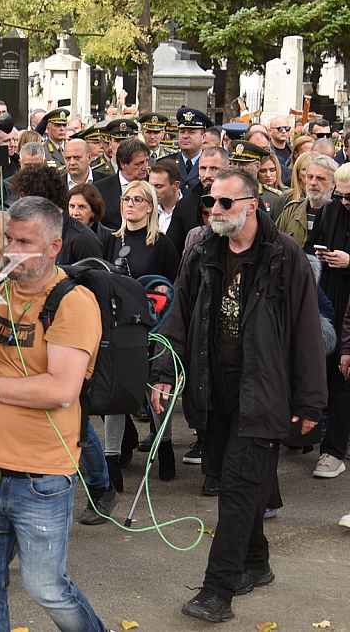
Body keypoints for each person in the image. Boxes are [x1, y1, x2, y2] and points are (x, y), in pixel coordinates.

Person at [150, 167, 325, 622]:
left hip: (264, 392)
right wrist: (164, 371)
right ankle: (257, 562)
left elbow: (306, 334)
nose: (215, 210)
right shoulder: (202, 250)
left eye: (226, 202)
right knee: (233, 481)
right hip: (214, 389)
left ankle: (217, 590)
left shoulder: (285, 257)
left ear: (252, 204)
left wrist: (310, 403)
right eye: (211, 201)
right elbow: (178, 314)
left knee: (239, 490)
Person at [0, 197, 111, 632]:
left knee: (45, 587)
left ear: (54, 246)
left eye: (24, 241)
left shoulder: (72, 302)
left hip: (40, 477)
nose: (10, 250)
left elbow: (62, 388)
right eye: (8, 239)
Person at [101, 180, 180, 485]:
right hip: (119, 327)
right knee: (115, 393)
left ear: (150, 206)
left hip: (152, 328)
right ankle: (110, 461)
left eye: (136, 199)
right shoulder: (110, 240)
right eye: (125, 199)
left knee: (156, 389)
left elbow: (173, 289)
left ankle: (166, 447)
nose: (129, 204)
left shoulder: (162, 244)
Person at [306, 163, 350, 480]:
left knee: (343, 379)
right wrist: (321, 256)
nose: (345, 202)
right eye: (341, 195)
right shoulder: (330, 209)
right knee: (328, 373)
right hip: (331, 297)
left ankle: (334, 451)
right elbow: (312, 245)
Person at [166, 146, 230, 254]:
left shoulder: (241, 201)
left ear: (228, 169)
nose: (207, 175)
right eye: (203, 168)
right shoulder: (184, 206)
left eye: (214, 168)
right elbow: (172, 251)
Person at [276, 153, 338, 248]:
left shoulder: (340, 214)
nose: (313, 183)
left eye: (320, 179)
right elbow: (274, 243)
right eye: (310, 177)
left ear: (333, 183)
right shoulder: (291, 210)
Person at [94, 137, 149, 231]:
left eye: (146, 161)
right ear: (123, 164)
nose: (145, 168)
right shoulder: (99, 189)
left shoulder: (152, 186)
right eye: (139, 164)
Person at [148, 160, 182, 233]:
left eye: (159, 186)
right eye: (150, 186)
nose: (153, 191)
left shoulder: (188, 210)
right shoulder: (148, 210)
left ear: (176, 186)